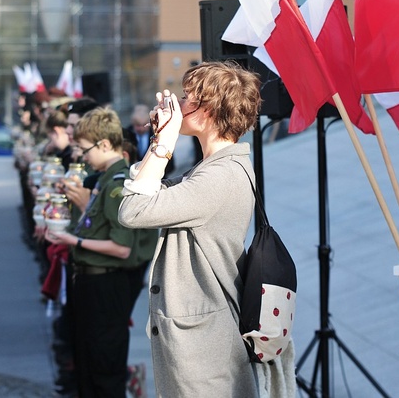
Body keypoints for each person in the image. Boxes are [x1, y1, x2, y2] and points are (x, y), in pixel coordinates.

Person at [118, 61, 295, 397]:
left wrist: (164, 144)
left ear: (209, 110)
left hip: (204, 349)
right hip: (200, 340)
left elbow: (134, 210)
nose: (179, 105)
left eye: (187, 98)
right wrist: (160, 138)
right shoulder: (213, 169)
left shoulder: (220, 177)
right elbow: (148, 189)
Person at [46, 107, 148, 398]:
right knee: (88, 363)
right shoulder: (104, 178)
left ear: (104, 145)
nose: (82, 155)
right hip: (91, 282)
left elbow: (121, 246)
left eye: (84, 149)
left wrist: (73, 241)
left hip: (106, 284)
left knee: (104, 368)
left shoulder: (117, 185)